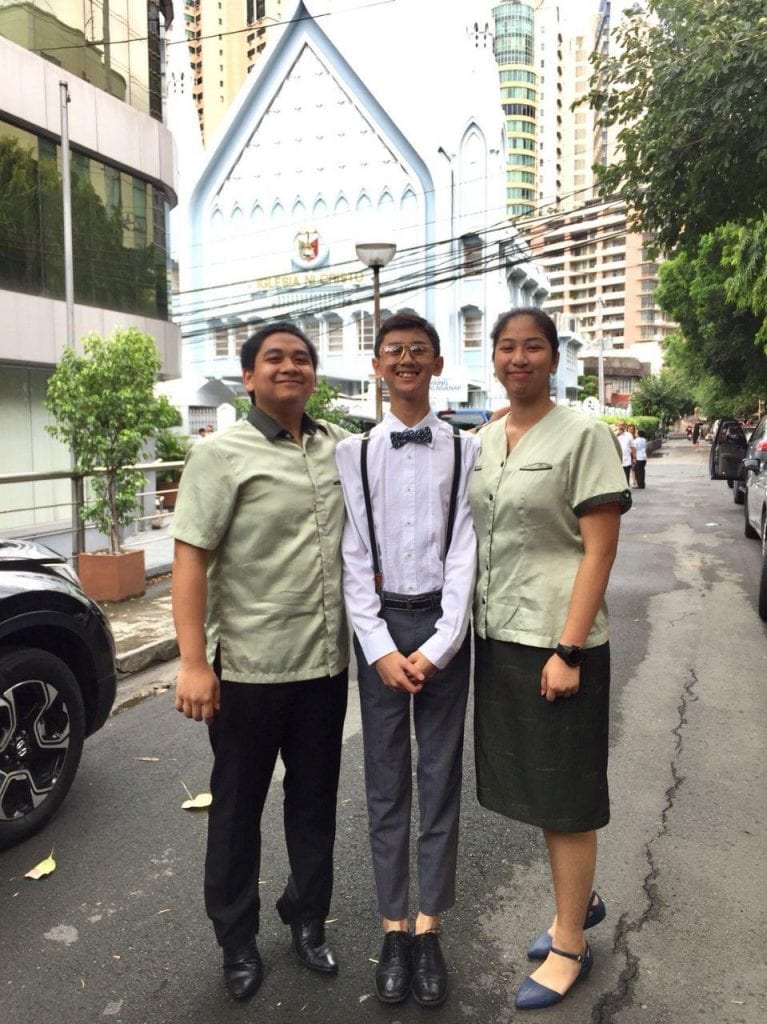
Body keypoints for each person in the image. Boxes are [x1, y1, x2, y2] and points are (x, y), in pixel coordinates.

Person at [171, 322, 349, 1002]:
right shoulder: (221, 456)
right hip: (246, 669)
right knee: (237, 809)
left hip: (324, 666)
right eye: (273, 358)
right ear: (248, 377)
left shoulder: (337, 447)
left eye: (301, 358)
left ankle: (306, 916)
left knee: (314, 805)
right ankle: (235, 939)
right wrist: (193, 661)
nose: (289, 367)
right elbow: (190, 557)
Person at [469, 309, 632, 1011]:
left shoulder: (584, 435)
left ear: (552, 358)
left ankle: (570, 944)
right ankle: (579, 901)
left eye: (531, 346)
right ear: (494, 359)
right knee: (539, 789)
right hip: (499, 637)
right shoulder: (482, 440)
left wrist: (567, 648)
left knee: (565, 798)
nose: (518, 357)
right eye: (506, 346)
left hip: (558, 647)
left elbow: (598, 548)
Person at [335, 312, 480, 1008]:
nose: (406, 360)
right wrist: (381, 648)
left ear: (437, 361)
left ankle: (430, 928)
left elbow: (465, 551)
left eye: (417, 350)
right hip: (382, 626)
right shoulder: (354, 454)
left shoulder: (466, 450)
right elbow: (352, 556)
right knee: (386, 781)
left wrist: (441, 643)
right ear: (377, 366)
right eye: (393, 351)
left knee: (439, 776)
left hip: (445, 625)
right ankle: (393, 926)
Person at [615, 420, 634, 484]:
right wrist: (617, 435)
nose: (621, 426)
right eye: (619, 425)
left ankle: (626, 491)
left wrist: (634, 457)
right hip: (616, 461)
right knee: (617, 478)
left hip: (626, 460)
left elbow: (632, 447)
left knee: (626, 477)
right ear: (617, 426)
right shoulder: (614, 434)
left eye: (623, 425)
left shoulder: (629, 435)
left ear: (625, 426)